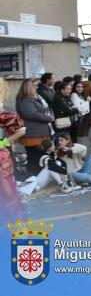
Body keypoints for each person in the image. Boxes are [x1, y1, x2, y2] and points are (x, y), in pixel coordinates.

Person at [15, 78, 54, 175]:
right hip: (33, 134)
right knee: (35, 158)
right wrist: (48, 118)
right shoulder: (25, 100)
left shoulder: (32, 98)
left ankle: (38, 178)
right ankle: (34, 178)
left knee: (38, 157)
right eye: (35, 85)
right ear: (29, 87)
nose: (37, 87)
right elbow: (32, 114)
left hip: (38, 133)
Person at [0, 83, 27, 221]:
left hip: (0, 160)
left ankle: (17, 225)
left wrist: (4, 142)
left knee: (7, 193)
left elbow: (21, 129)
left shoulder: (2, 115)